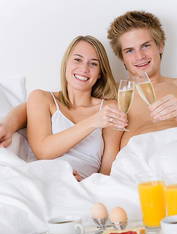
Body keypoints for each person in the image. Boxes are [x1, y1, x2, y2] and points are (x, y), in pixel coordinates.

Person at [0, 35, 127, 180]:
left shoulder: (110, 107)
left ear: (100, 74)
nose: (84, 68)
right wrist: (92, 122)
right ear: (66, 63)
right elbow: (43, 150)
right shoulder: (42, 98)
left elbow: (108, 167)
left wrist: (88, 183)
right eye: (77, 60)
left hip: (84, 186)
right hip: (46, 178)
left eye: (93, 64)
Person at [107, 10, 177, 148]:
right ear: (121, 57)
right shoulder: (112, 95)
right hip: (135, 166)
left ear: (160, 46)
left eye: (145, 45)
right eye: (129, 50)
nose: (140, 56)